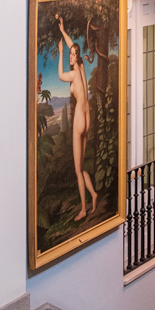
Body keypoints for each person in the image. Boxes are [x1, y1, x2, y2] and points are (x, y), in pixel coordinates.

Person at [56, 14, 97, 221]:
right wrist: (63, 31)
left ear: (75, 57)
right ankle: (93, 194)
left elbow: (60, 76)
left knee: (76, 169)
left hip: (80, 121)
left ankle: (82, 209)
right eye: (71, 54)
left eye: (73, 55)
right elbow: (74, 45)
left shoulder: (72, 73)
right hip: (88, 120)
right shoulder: (81, 67)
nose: (72, 56)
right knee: (81, 167)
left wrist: (62, 52)